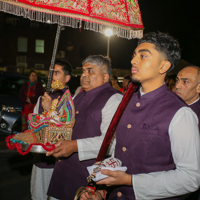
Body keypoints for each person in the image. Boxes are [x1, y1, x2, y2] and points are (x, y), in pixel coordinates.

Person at [80, 32, 200, 200]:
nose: (133, 61)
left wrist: (131, 181)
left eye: (143, 56)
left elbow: (190, 179)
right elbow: (120, 153)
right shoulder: (124, 103)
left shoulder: (181, 113)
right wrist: (102, 190)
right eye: (134, 55)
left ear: (163, 67)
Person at [46, 55, 123, 199]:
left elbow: (111, 143)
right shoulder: (77, 96)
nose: (84, 75)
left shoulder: (114, 99)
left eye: (90, 71)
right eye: (83, 71)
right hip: (62, 173)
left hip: (86, 179)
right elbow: (63, 125)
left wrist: (75, 146)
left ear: (105, 78)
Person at [30, 59, 72, 200]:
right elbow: (36, 127)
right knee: (37, 196)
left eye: (57, 73)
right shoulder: (43, 97)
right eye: (51, 72)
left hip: (59, 163)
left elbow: (67, 129)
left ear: (67, 78)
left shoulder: (72, 100)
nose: (52, 76)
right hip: (40, 158)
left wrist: (49, 110)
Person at [175, 66, 200, 200]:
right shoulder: (167, 107)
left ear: (199, 88)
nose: (177, 85)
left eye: (185, 82)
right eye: (177, 80)